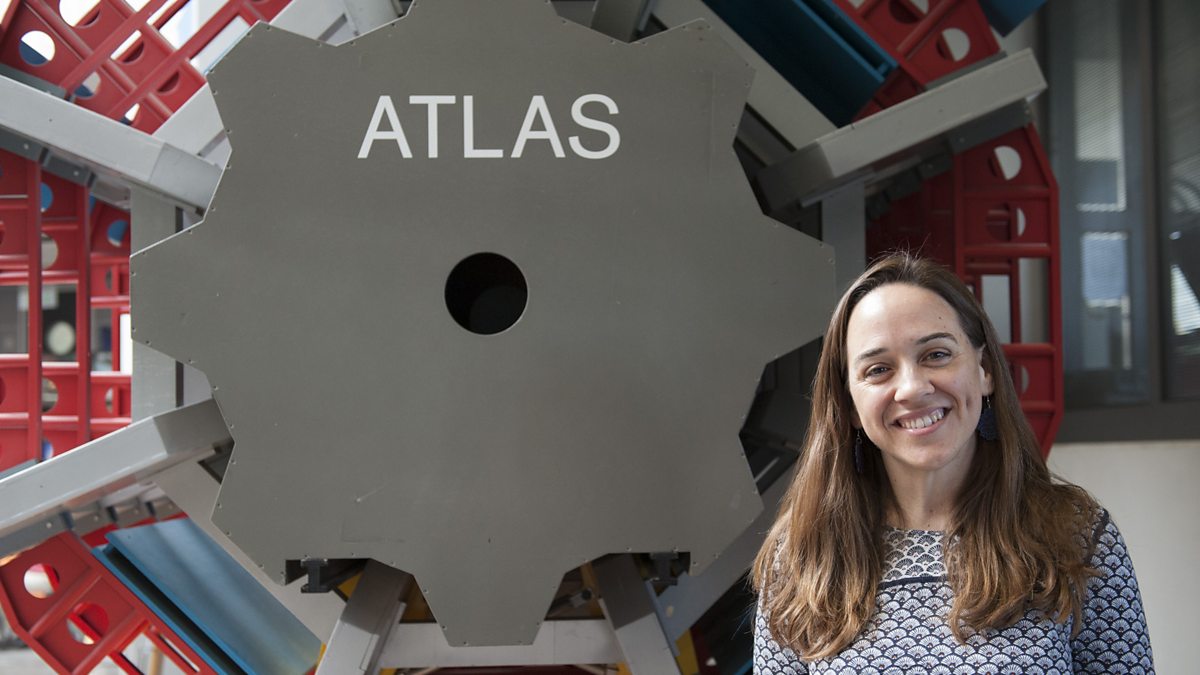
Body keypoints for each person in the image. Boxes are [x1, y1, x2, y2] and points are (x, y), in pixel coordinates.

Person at [751, 252, 1154, 673]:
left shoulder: (1076, 536)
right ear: (850, 404)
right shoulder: (801, 555)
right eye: (878, 369)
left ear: (984, 370)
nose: (911, 388)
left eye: (936, 355)